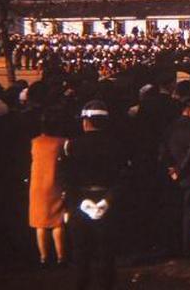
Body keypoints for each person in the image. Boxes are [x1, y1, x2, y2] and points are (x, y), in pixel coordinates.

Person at [63, 101, 129, 290]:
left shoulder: (72, 145)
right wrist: (107, 201)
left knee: (81, 257)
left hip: (80, 204)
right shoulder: (117, 146)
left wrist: (82, 202)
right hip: (108, 204)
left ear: (86, 121)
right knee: (106, 256)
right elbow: (123, 177)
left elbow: (67, 178)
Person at [161, 95, 190, 256]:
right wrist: (180, 169)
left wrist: (171, 168)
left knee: (175, 210)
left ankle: (174, 245)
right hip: (189, 174)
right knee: (189, 212)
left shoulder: (171, 126)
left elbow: (164, 149)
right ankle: (188, 247)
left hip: (173, 174)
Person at [29, 112, 67, 267]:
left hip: (37, 186)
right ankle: (61, 257)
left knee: (40, 223)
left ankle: (44, 257)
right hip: (56, 183)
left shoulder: (35, 142)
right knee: (57, 223)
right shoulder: (62, 142)